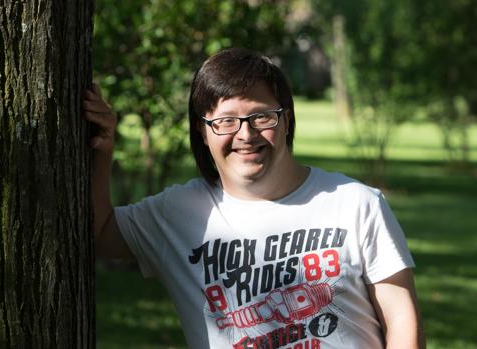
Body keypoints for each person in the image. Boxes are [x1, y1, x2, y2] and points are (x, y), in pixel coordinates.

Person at [84, 47, 425, 349]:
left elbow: (401, 319)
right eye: (227, 121)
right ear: (203, 132)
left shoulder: (356, 204)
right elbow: (97, 234)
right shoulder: (176, 214)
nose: (245, 134)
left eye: (261, 116)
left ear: (286, 120)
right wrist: (103, 149)